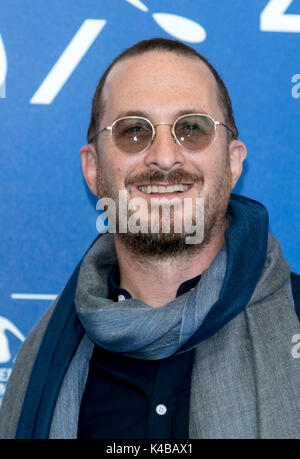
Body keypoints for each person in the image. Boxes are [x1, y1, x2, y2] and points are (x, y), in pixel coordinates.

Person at [0, 38, 299, 439]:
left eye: (191, 128)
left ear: (232, 161)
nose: (163, 156)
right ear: (92, 168)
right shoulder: (42, 362)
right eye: (134, 131)